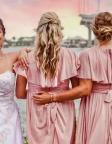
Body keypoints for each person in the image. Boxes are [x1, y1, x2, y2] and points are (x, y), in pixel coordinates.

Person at [31, 12, 112, 144]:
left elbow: (85, 89)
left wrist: (52, 97)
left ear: (94, 29)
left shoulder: (88, 55)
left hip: (97, 106)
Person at [15, 12, 80, 144]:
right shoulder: (70, 55)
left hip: (38, 110)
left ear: (39, 32)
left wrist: (37, 94)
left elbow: (20, 94)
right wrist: (56, 94)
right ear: (59, 31)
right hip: (64, 110)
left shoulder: (26, 58)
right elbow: (77, 90)